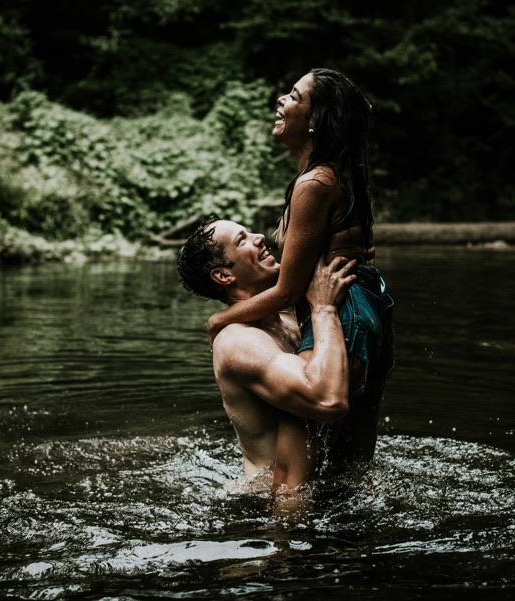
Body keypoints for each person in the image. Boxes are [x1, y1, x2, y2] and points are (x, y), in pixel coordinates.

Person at [206, 67, 394, 456]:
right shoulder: (340, 174)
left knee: (293, 474)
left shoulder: (314, 184)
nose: (281, 101)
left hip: (342, 306)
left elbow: (289, 290)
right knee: (350, 458)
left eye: (294, 97)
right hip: (368, 302)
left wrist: (219, 320)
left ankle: (284, 521)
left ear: (315, 121)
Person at [177, 216, 361, 510]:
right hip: (271, 505)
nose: (259, 237)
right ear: (224, 276)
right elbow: (327, 401)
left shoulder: (288, 319)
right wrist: (324, 308)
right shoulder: (238, 342)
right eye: (242, 240)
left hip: (319, 490)